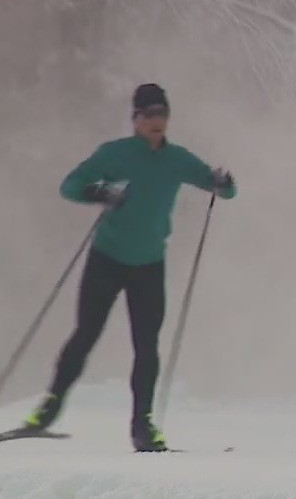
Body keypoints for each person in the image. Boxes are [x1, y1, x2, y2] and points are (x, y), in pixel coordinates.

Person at [21, 83, 238, 452]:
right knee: (86, 334)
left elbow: (222, 190)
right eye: (149, 114)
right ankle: (48, 408)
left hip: (149, 265)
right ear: (136, 119)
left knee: (146, 346)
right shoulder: (115, 154)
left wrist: (223, 182)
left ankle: (143, 426)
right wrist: (100, 192)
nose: (157, 121)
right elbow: (70, 186)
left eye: (162, 114)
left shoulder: (177, 159)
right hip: (106, 259)